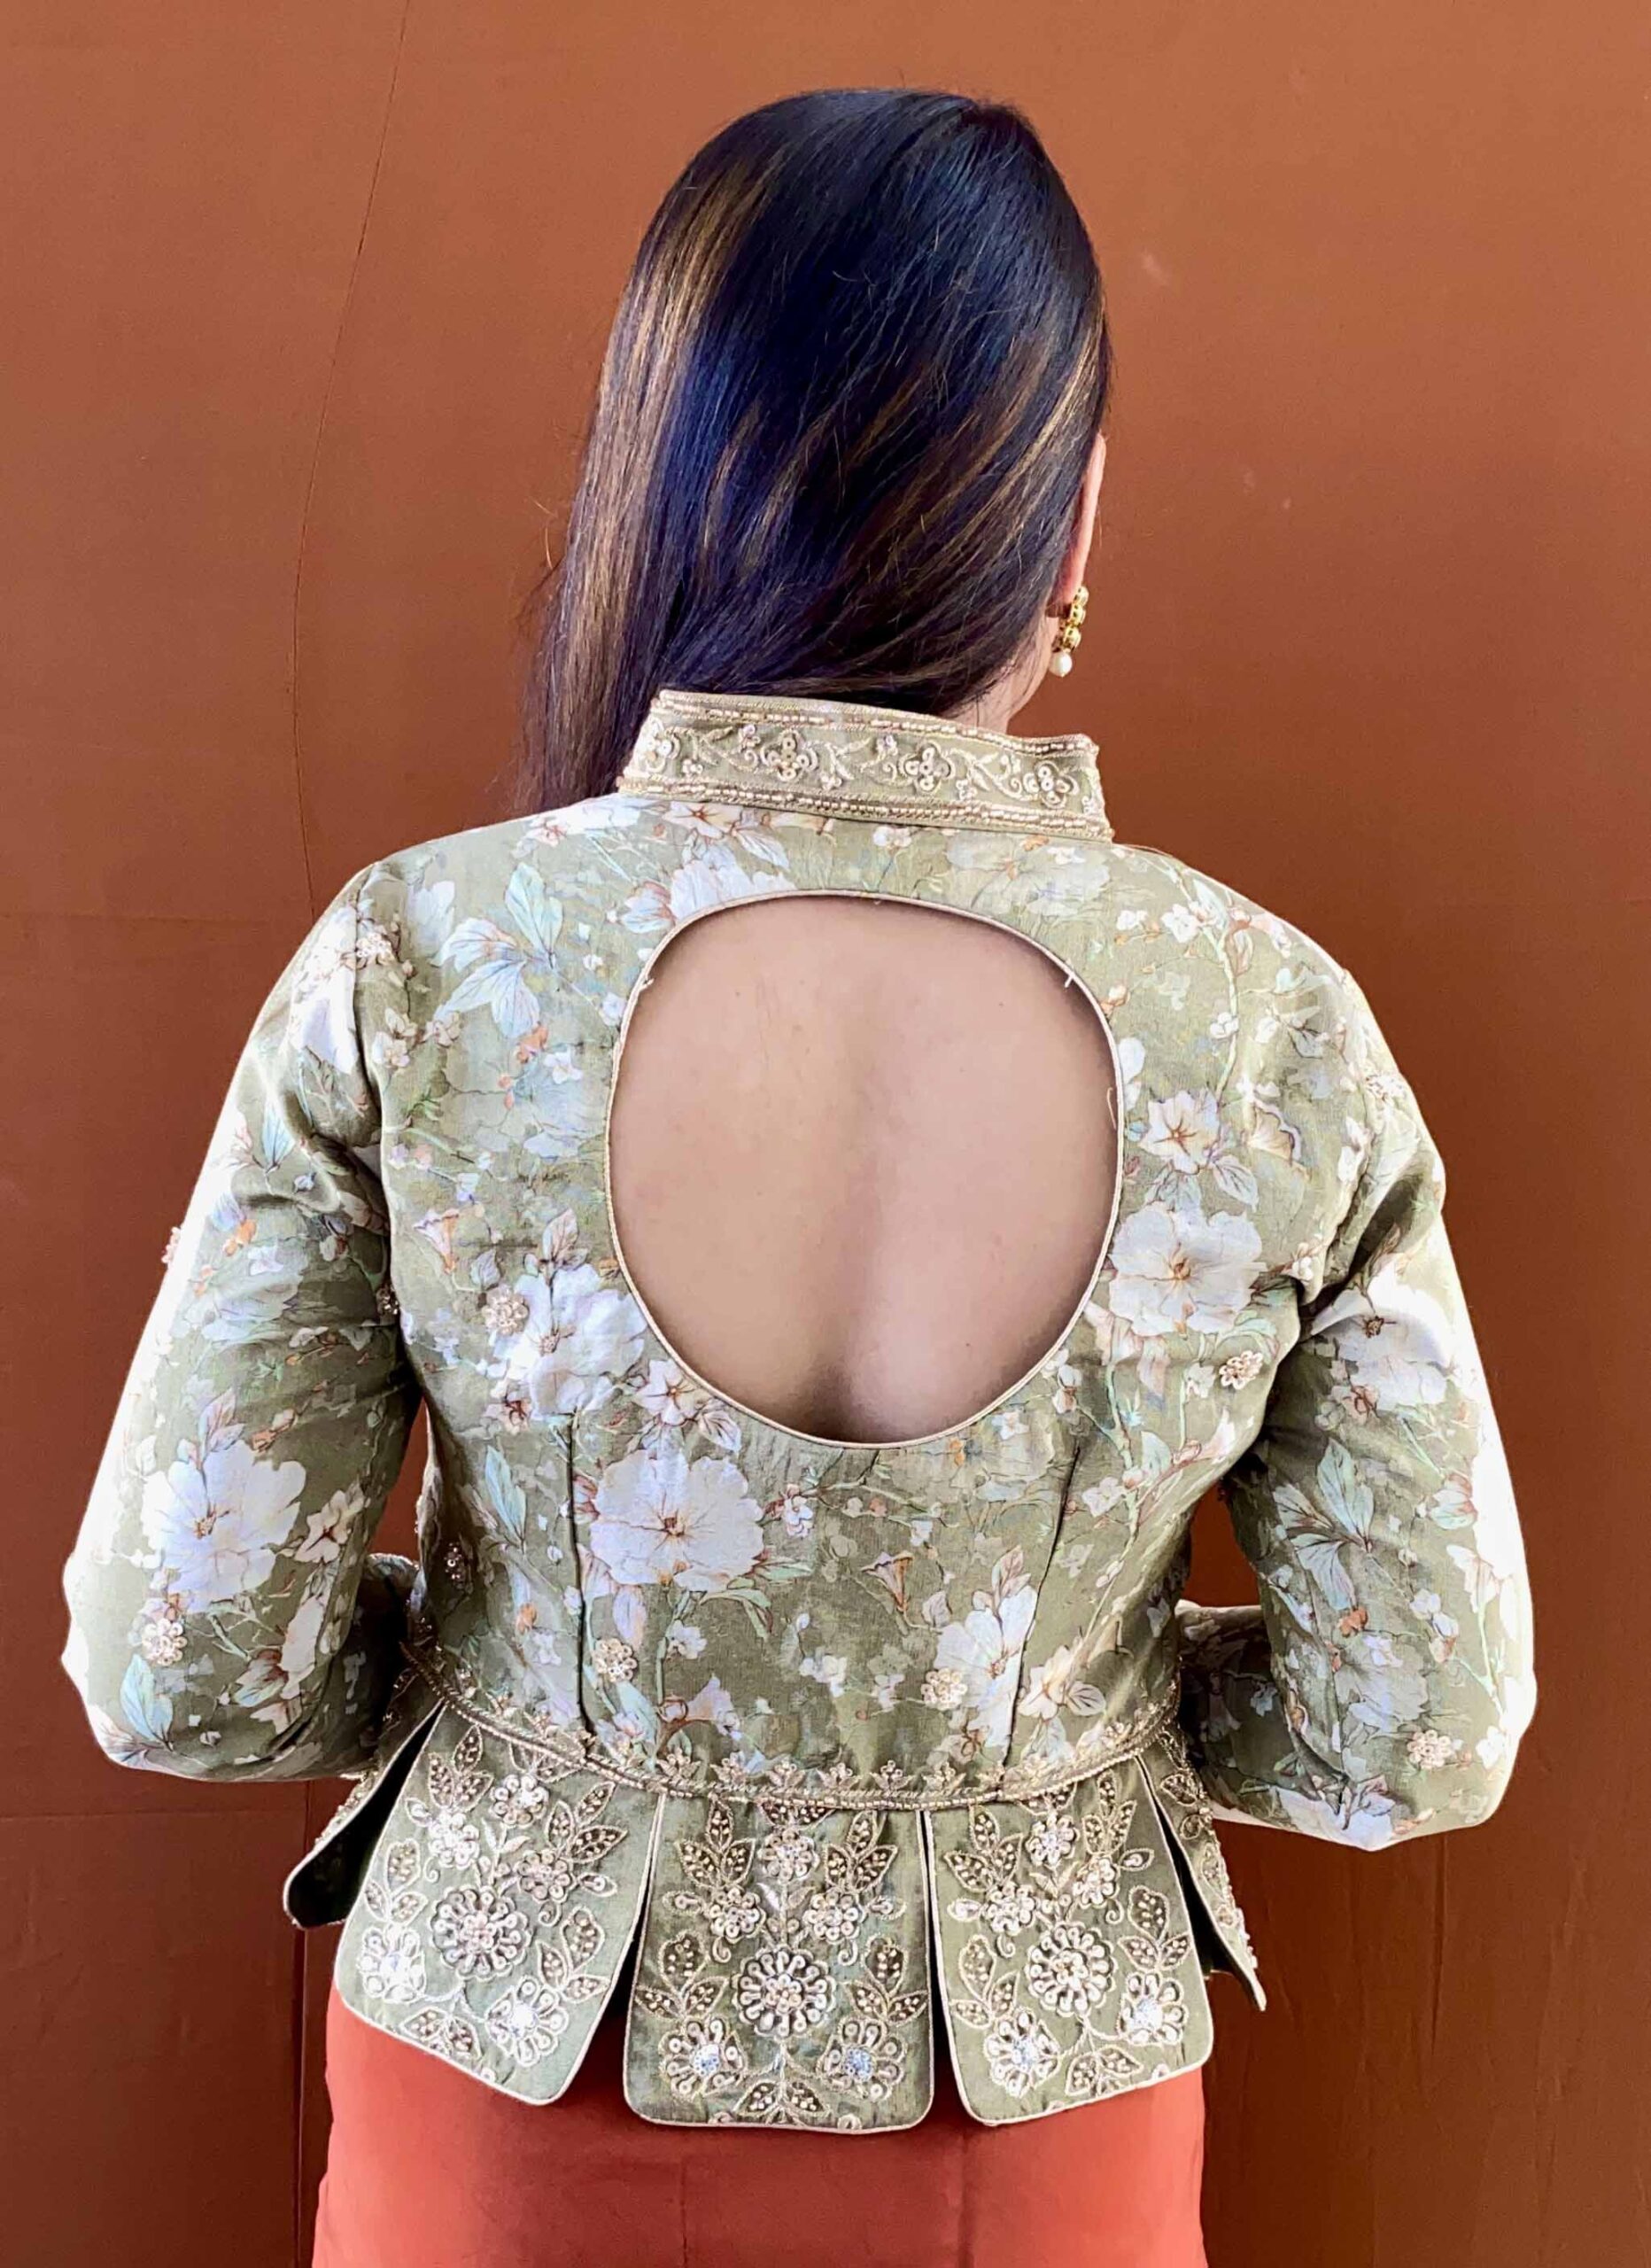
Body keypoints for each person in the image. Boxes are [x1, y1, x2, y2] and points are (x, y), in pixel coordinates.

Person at [58, 86, 1537, 2268]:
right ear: (1072, 509)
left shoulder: (425, 963)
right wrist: (1058, 1707)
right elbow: (1415, 1719)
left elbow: (183, 1659)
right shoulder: (1269, 1029)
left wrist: (520, 1687)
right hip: (1030, 2139)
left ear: (662, 473)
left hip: (506, 2099)